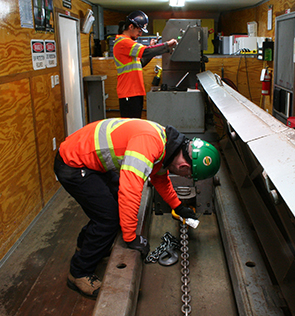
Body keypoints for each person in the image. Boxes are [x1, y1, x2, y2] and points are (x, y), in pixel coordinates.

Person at [54, 118, 220, 299]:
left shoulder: (166, 146)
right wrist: (131, 237)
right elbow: (130, 191)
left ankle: (85, 246)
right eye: (188, 175)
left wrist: (178, 206)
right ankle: (79, 273)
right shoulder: (149, 144)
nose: (185, 177)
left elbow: (160, 179)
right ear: (184, 166)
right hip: (73, 163)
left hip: (90, 161)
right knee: (108, 218)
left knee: (110, 208)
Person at [113, 10, 177, 118]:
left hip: (134, 92)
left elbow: (140, 63)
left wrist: (152, 49)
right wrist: (167, 45)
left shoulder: (127, 43)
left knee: (136, 124)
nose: (140, 34)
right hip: (129, 93)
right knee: (132, 127)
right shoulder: (123, 42)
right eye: (139, 30)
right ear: (131, 27)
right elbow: (146, 52)